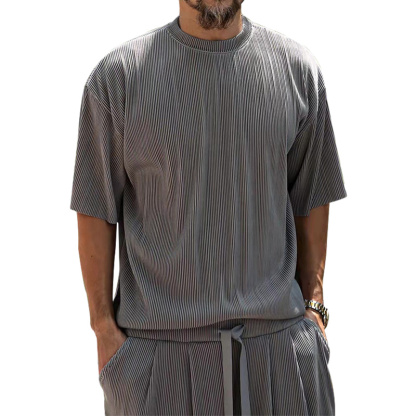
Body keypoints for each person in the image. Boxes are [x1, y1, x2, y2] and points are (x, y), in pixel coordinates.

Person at [69, 1, 347, 415]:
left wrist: (315, 306)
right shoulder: (118, 78)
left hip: (281, 357)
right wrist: (103, 329)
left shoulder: (298, 72)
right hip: (158, 365)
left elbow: (311, 195)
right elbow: (96, 207)